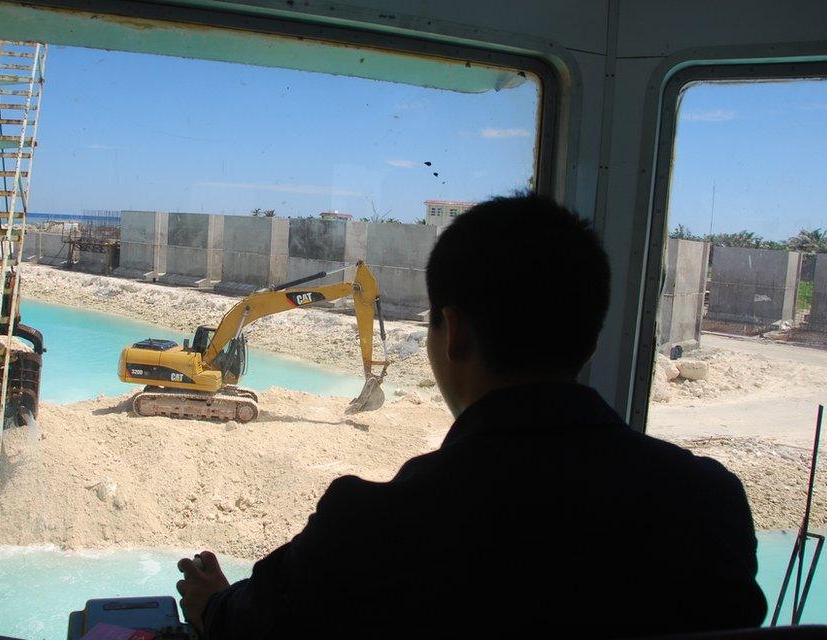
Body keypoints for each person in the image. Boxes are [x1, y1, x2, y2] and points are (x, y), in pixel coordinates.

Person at [177, 194, 767, 638]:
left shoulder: (372, 528)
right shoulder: (709, 504)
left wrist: (213, 604)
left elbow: (254, 627)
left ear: (452, 332)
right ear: (588, 341)